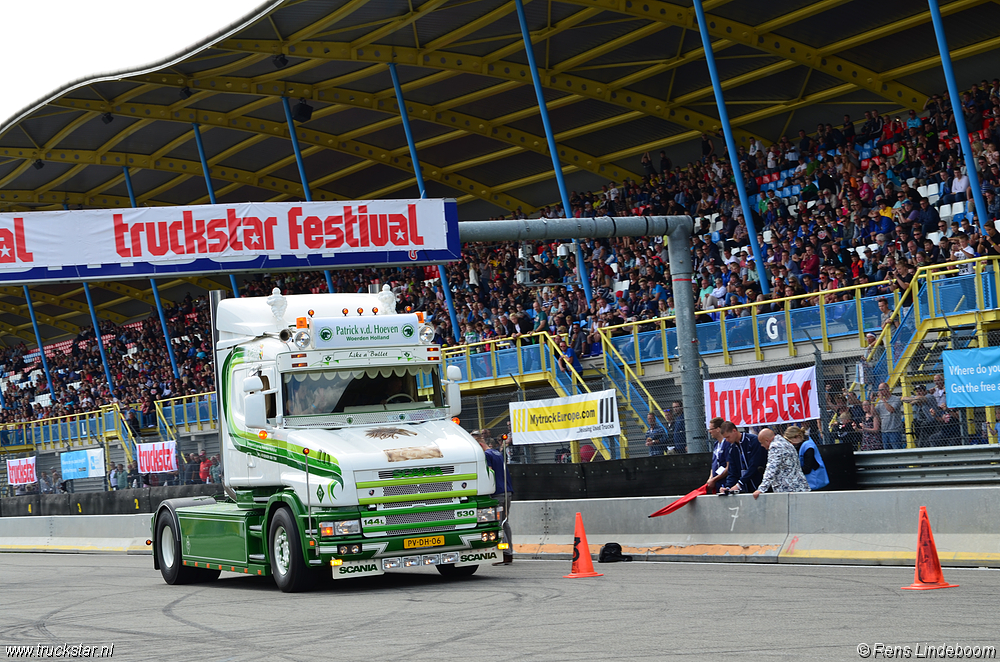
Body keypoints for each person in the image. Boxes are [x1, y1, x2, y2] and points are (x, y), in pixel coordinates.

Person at [475, 431, 513, 565]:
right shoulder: (497, 453)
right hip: (507, 491)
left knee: (498, 523)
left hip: (497, 493)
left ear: (480, 445)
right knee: (504, 522)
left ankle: (504, 553)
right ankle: (509, 552)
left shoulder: (486, 455)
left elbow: (489, 473)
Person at [753, 428, 810, 498]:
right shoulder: (785, 443)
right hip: (799, 487)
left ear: (767, 440)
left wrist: (762, 489)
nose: (761, 445)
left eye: (761, 443)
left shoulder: (775, 447)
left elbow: (771, 468)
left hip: (789, 490)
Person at [720, 421, 767, 494]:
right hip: (745, 488)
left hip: (760, 486)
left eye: (728, 437)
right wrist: (728, 487)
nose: (727, 440)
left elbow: (755, 465)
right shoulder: (732, 449)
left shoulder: (753, 441)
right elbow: (732, 471)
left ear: (734, 431)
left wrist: (739, 484)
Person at [786, 425, 829, 490]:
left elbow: (807, 468)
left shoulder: (808, 447)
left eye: (790, 441)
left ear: (798, 436)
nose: (790, 443)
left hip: (814, 481)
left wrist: (791, 470)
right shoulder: (803, 443)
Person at [875, 382, 904, 449]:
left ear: (888, 388)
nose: (881, 392)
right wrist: (872, 402)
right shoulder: (880, 402)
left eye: (882, 390)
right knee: (887, 451)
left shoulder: (896, 399)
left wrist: (883, 400)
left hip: (894, 430)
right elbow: (874, 413)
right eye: (879, 390)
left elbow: (891, 410)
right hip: (884, 430)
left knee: (897, 450)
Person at [705, 417, 729, 493]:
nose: (709, 431)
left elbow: (728, 467)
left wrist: (714, 479)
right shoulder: (716, 444)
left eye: (711, 429)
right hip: (716, 482)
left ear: (718, 429)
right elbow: (713, 464)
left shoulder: (727, 443)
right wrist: (711, 478)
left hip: (725, 482)